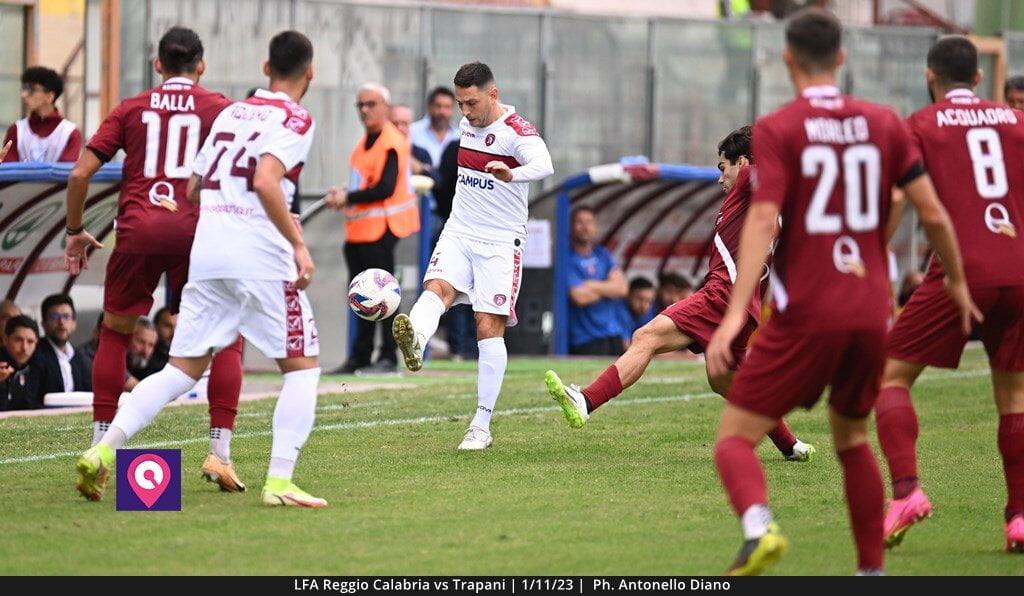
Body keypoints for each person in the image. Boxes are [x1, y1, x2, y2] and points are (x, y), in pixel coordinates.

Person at [703, 8, 977, 575]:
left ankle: (759, 530)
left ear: (787, 60)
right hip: (870, 312)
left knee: (734, 438)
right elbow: (932, 213)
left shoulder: (779, 129)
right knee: (852, 437)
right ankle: (870, 573)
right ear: (843, 59)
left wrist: (733, 319)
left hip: (807, 311)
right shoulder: (884, 123)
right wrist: (954, 276)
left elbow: (761, 222)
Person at [76, 30, 325, 508]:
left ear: (265, 67)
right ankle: (278, 482)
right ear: (308, 73)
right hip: (260, 256)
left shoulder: (234, 112)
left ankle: (101, 449)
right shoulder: (295, 118)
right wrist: (297, 242)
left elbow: (192, 187)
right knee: (302, 368)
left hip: (209, 254)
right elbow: (266, 179)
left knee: (181, 369)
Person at [546, 127, 814, 464]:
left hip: (723, 296)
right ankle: (790, 445)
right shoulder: (763, 207)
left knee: (645, 336)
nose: (720, 179)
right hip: (744, 306)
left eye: (722, 168)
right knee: (725, 381)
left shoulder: (749, 178)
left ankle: (585, 401)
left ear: (742, 162)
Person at [64, 26, 246, 493]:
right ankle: (220, 453)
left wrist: (74, 230)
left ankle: (101, 446)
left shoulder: (130, 108)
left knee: (116, 333)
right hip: (198, 234)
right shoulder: (220, 108)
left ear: (157, 65)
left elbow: (81, 172)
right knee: (226, 339)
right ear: (200, 66)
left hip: (138, 230)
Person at [874, 36, 1024, 554]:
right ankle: (1019, 518)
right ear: (980, 78)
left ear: (929, 76)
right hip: (1019, 270)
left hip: (963, 267)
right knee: (1014, 397)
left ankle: (906, 492)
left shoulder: (917, 125)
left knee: (890, 376)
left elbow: (898, 197)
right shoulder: (1017, 121)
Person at [392, 61, 553, 450]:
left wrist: (512, 174)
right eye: (461, 103)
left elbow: (545, 165)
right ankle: (416, 340)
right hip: (460, 230)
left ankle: (481, 425)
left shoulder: (517, 131)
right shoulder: (467, 126)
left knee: (487, 325)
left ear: (492, 95)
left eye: (472, 102)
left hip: (501, 242)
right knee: (436, 288)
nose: (465, 112)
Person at [325, 83, 419, 375]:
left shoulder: (391, 141)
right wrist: (344, 195)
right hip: (359, 233)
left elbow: (385, 188)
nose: (365, 110)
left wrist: (348, 197)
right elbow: (364, 185)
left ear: (385, 108)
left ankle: (388, 357)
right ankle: (360, 356)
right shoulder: (364, 144)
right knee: (360, 298)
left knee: (384, 297)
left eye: (371, 104)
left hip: (381, 232)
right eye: (361, 105)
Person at [566, 206, 628, 356]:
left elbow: (622, 289)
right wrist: (608, 289)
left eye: (589, 222)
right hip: (586, 339)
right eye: (580, 222)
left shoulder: (602, 254)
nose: (585, 227)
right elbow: (579, 297)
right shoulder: (566, 257)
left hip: (613, 334)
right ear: (570, 226)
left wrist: (590, 285)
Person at [2, 66, 81, 163]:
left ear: (49, 96)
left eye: (31, 89)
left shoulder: (70, 133)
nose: (24, 95)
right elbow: (9, 172)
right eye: (24, 89)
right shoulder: (16, 130)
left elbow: (65, 174)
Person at [31, 294, 91, 395]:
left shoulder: (79, 357)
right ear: (43, 324)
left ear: (74, 324)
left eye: (67, 316)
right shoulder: (35, 354)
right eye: (55, 316)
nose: (61, 322)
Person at [410, 86, 459, 168]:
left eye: (447, 107)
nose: (442, 112)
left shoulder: (459, 136)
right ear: (429, 107)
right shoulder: (413, 132)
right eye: (438, 106)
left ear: (453, 109)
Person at [0, 316, 40, 411]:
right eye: (18, 340)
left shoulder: (37, 366)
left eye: (30, 342)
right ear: (5, 339)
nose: (24, 348)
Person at [616, 276, 656, 346]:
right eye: (639, 299)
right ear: (628, 296)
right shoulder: (620, 311)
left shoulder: (648, 313)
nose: (644, 306)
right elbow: (627, 347)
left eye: (649, 301)